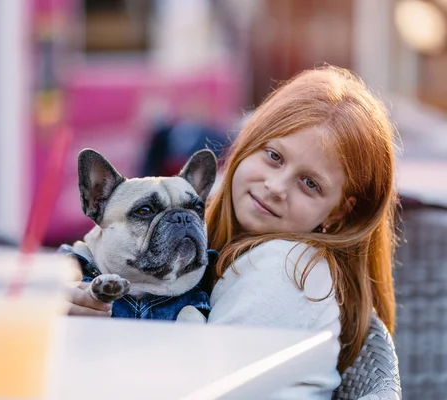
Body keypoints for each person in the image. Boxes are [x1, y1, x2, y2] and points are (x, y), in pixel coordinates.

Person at [67, 65, 398, 399]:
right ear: (249, 142)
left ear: (340, 210)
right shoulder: (238, 248)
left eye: (310, 184)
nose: (276, 186)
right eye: (274, 156)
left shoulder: (283, 268)